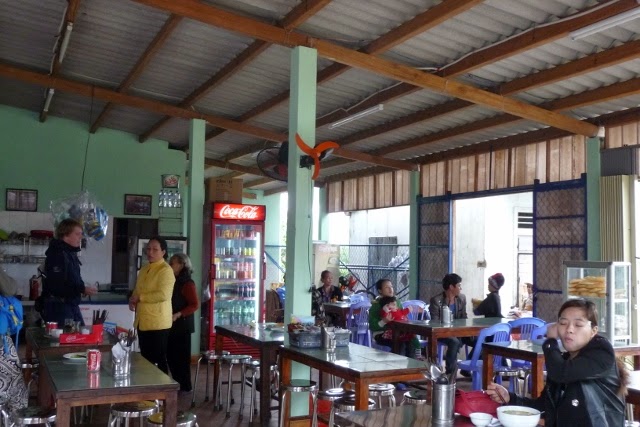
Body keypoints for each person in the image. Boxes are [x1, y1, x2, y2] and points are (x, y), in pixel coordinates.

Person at [486, 299, 628, 426]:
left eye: (578, 324)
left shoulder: (602, 352)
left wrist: (550, 341)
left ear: (593, 331)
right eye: (563, 323)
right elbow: (542, 405)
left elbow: (561, 373)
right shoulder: (562, 361)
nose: (569, 329)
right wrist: (510, 397)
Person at [129, 237, 174, 374]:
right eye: (148, 249)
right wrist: (133, 299)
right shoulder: (144, 269)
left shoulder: (165, 270)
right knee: (145, 359)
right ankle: (148, 385)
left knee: (158, 360)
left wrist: (140, 298)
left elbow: (163, 294)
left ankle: (163, 386)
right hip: (143, 321)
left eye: (155, 249)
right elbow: (138, 289)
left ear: (163, 252)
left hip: (158, 323)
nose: (150, 252)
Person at [41, 218, 97, 326]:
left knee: (80, 335)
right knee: (66, 336)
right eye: (77, 234)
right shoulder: (57, 254)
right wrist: (82, 289)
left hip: (71, 305)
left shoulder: (70, 253)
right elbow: (56, 284)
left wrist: (82, 289)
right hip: (59, 307)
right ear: (65, 235)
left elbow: (72, 279)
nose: (80, 237)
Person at [429, 273, 475, 376]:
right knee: (454, 342)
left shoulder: (461, 298)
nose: (460, 288)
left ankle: (468, 367)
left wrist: (466, 331)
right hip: (443, 333)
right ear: (451, 287)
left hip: (459, 332)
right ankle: (450, 373)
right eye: (459, 285)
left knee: (480, 340)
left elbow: (464, 317)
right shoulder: (436, 300)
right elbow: (435, 322)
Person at [167, 253, 199, 392]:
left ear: (181, 265)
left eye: (172, 263)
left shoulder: (187, 283)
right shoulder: (172, 280)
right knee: (171, 356)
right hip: (172, 323)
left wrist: (179, 314)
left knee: (181, 358)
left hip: (182, 325)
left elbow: (194, 304)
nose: (170, 266)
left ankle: (185, 387)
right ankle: (177, 384)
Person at [369, 278, 413, 357]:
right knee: (400, 343)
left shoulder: (396, 302)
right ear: (380, 291)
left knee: (411, 341)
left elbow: (402, 316)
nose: (390, 289)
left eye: (391, 286)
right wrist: (384, 321)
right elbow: (372, 326)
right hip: (381, 334)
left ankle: (412, 363)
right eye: (387, 287)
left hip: (398, 332)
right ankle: (397, 363)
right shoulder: (376, 305)